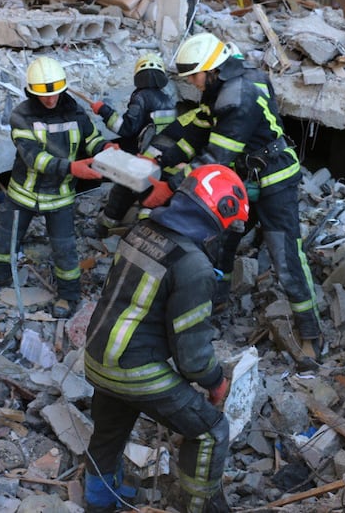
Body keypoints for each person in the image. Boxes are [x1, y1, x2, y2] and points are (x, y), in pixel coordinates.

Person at [143, 32, 322, 364]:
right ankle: (219, 300)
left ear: (212, 70)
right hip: (243, 177)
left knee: (285, 258)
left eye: (194, 76)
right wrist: (154, 158)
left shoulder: (239, 95)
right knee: (221, 241)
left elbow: (215, 157)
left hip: (275, 179)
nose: (193, 84)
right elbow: (195, 129)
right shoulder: (221, 88)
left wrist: (170, 185)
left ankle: (310, 332)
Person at [84, 164, 249, 513]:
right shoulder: (194, 266)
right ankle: (199, 507)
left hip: (97, 358)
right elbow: (192, 357)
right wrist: (215, 381)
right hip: (135, 370)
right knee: (211, 431)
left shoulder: (141, 230)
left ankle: (98, 504)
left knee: (108, 434)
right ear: (219, 214)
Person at [0, 56, 110, 319]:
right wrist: (73, 168)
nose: (50, 100)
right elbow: (34, 158)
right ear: (31, 92)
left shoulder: (75, 112)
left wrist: (105, 150)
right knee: (6, 239)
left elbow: (91, 139)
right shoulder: (21, 117)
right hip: (23, 195)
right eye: (44, 96)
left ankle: (69, 295)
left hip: (59, 197)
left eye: (55, 95)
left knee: (64, 248)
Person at [90, 52, 177, 237]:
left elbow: (126, 128)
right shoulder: (168, 99)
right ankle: (146, 233)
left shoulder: (141, 97)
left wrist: (104, 111)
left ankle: (103, 229)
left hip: (141, 158)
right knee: (150, 197)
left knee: (121, 192)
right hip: (161, 160)